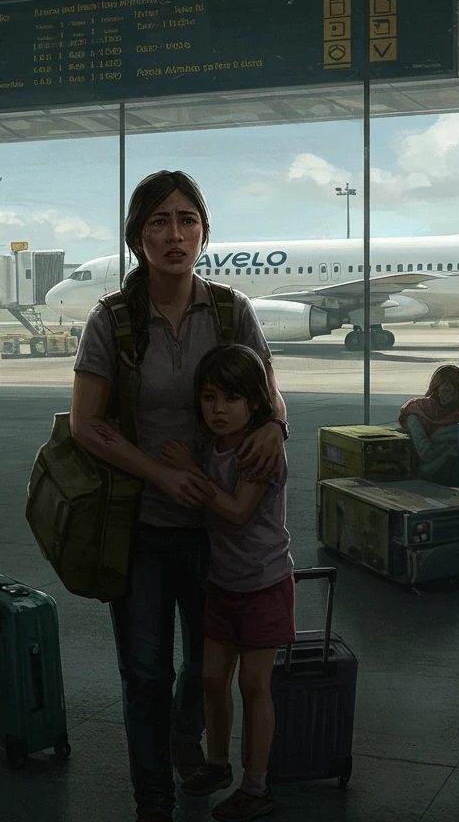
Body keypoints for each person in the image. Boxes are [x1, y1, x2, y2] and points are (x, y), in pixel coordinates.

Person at [69, 170, 289, 822]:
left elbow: (269, 391)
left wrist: (276, 426)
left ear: (203, 231)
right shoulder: (111, 319)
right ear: (138, 237)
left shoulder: (230, 311)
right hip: (138, 521)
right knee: (144, 675)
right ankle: (153, 800)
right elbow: (86, 424)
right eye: (159, 222)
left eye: (187, 220)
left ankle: (185, 737)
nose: (175, 234)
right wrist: (159, 475)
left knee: (204, 668)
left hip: (215, 531)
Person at [159, 343, 292, 822]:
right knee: (213, 679)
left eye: (231, 399)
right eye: (210, 398)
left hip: (264, 583)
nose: (218, 409)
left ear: (255, 402)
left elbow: (236, 511)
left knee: (254, 685)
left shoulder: (259, 451)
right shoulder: (213, 445)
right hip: (223, 583)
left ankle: (256, 787)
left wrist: (188, 474)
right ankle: (217, 763)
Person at [399, 364, 459, 488]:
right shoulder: (417, 411)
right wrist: (450, 444)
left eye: (455, 391)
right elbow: (426, 452)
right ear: (436, 389)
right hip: (427, 477)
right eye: (445, 390)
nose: (449, 397)